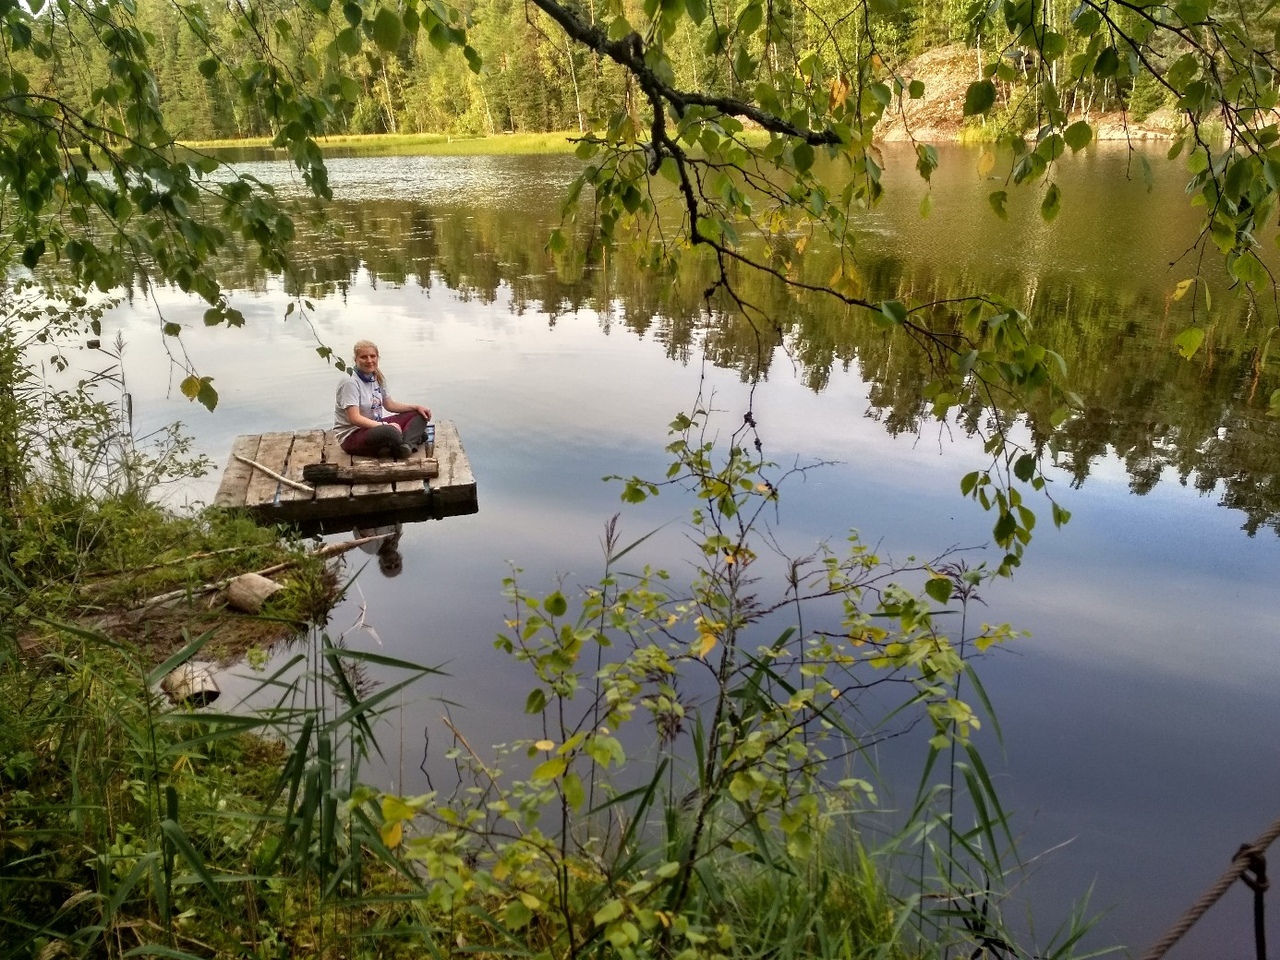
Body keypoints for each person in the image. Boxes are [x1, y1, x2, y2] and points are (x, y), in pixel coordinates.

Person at [333, 340, 431, 459]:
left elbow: (389, 405)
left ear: (378, 357)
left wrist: (416, 407)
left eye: (372, 356)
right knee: (389, 432)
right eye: (364, 357)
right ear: (355, 359)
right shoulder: (350, 381)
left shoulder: (377, 377)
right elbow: (354, 418)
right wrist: (384, 425)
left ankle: (406, 446)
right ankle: (412, 439)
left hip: (374, 426)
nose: (369, 360)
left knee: (420, 415)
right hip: (353, 436)